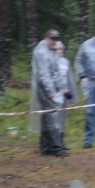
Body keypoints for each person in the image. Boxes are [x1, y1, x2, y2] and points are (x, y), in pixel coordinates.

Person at [30, 29, 69, 157]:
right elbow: (43, 74)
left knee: (47, 116)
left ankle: (45, 146)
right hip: (44, 89)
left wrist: (61, 87)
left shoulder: (50, 51)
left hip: (50, 88)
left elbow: (56, 71)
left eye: (56, 39)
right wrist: (50, 91)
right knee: (52, 116)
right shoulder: (41, 52)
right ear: (45, 38)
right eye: (52, 39)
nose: (54, 41)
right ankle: (56, 147)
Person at [54, 41, 77, 150]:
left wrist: (72, 96)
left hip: (64, 96)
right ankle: (54, 142)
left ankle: (61, 141)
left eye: (60, 49)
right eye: (56, 49)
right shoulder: (49, 61)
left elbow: (69, 79)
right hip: (53, 96)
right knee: (54, 119)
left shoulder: (65, 62)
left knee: (62, 119)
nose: (58, 51)